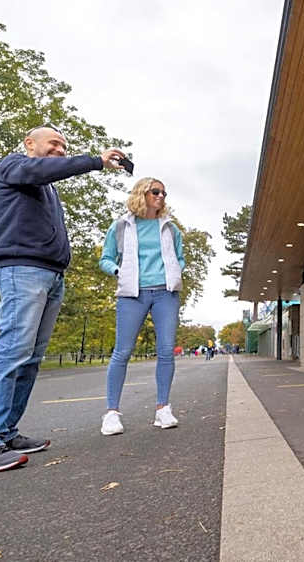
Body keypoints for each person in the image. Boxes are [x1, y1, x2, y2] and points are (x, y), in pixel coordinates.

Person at [0, 125, 125, 473]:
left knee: (30, 358)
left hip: (49, 274)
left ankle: (4, 432)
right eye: (54, 143)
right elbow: (41, 169)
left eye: (64, 146)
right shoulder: (14, 165)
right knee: (12, 350)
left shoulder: (44, 187)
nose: (60, 150)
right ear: (30, 144)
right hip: (22, 269)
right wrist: (95, 161)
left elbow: (47, 176)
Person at [98, 178, 185, 436]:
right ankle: (111, 413)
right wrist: (118, 271)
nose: (161, 196)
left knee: (167, 350)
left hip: (165, 294)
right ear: (141, 193)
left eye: (164, 193)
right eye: (155, 191)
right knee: (122, 352)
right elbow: (106, 258)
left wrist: (177, 272)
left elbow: (180, 258)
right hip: (131, 294)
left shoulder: (171, 229)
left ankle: (163, 409)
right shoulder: (121, 227)